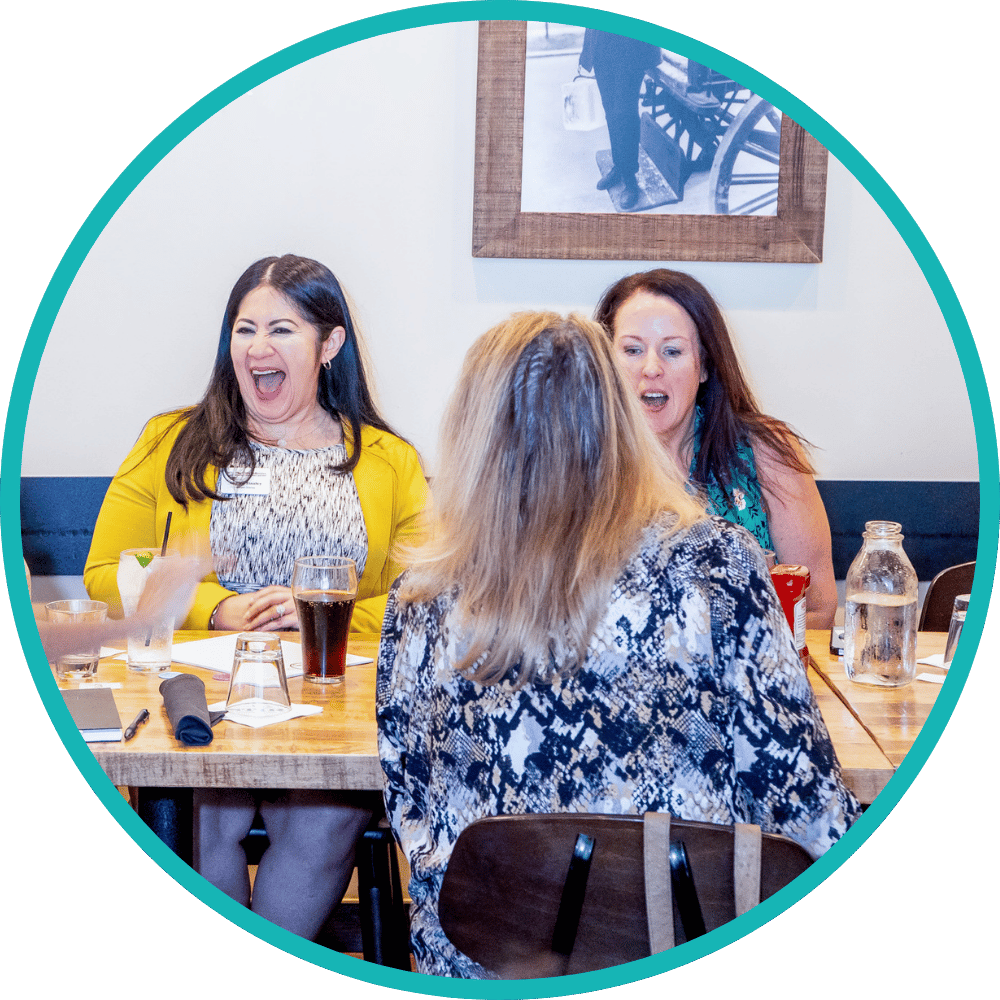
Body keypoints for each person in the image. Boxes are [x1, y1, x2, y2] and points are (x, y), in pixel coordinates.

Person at [376, 312, 859, 978]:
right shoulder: (715, 565)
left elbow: (411, 806)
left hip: (486, 964)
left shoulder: (420, 598)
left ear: (470, 434)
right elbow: (804, 804)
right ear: (621, 421)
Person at [84, 254, 428, 940]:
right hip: (200, 693)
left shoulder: (390, 460)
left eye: (282, 329)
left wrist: (318, 614)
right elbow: (104, 574)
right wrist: (214, 606)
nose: (257, 347)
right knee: (204, 815)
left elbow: (424, 597)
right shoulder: (168, 441)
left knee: (325, 820)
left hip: (333, 699)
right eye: (245, 329)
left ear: (329, 344)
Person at [594, 268, 837, 629]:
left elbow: (816, 609)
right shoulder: (576, 464)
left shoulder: (766, 454)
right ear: (604, 365)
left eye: (672, 351)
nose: (651, 368)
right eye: (632, 350)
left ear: (704, 366)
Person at [579, 29, 661, 210]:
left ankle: (630, 179)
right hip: (602, 45)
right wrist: (587, 52)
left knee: (625, 113)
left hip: (631, 47)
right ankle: (619, 166)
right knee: (610, 111)